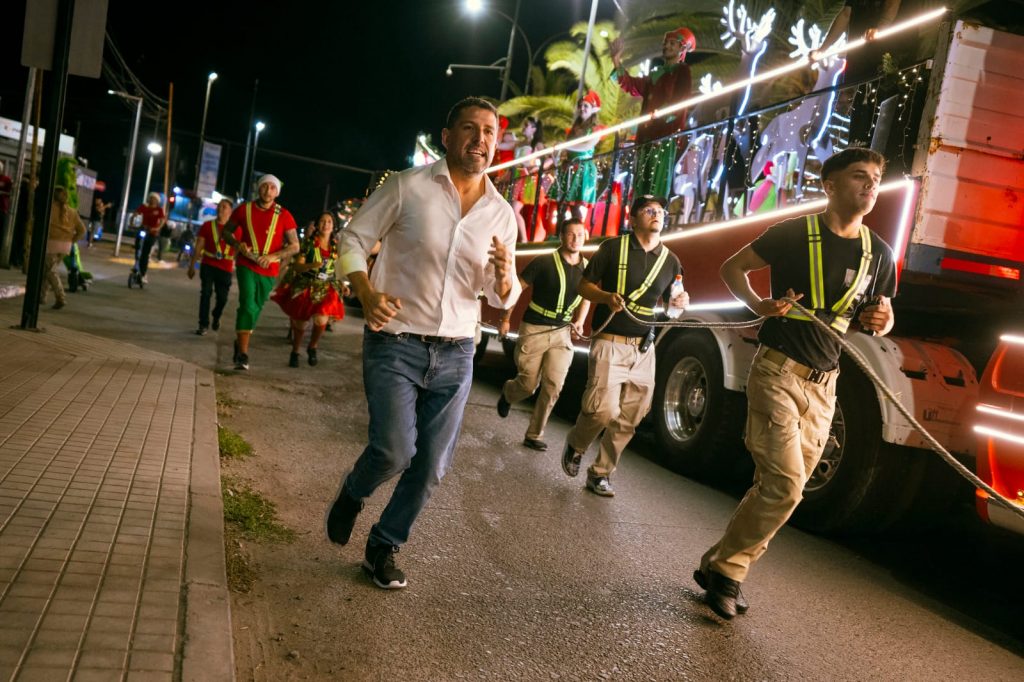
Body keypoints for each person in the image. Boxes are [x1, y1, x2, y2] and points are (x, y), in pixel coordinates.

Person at [326, 96, 520, 589]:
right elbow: (352, 240)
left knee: (432, 463)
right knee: (394, 450)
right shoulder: (406, 186)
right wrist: (365, 291)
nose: (480, 139)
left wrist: (505, 279)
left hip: (457, 351)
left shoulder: (501, 214)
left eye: (490, 132)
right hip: (395, 341)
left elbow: (500, 291)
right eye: (470, 128)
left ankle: (384, 545)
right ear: (448, 136)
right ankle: (353, 491)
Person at [695, 148, 896, 620]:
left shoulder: (879, 254)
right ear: (830, 185)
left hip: (825, 389)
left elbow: (883, 316)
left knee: (782, 488)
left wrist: (883, 320)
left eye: (875, 179)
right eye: (859, 176)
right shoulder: (793, 233)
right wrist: (758, 304)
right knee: (784, 487)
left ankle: (718, 563)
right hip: (777, 373)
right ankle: (728, 575)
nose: (870, 186)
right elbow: (732, 269)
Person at [561, 195, 686, 497]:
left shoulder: (671, 261)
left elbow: (673, 306)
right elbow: (583, 285)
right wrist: (605, 297)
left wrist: (679, 303)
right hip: (610, 342)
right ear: (633, 218)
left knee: (631, 416)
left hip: (644, 349)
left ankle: (600, 473)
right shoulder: (613, 248)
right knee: (601, 411)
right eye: (649, 210)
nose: (657, 214)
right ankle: (577, 444)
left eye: (660, 211)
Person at [497, 218, 590, 451]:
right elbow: (516, 289)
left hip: (562, 333)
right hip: (534, 329)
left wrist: (580, 321)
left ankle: (534, 434)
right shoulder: (543, 262)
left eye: (580, 235)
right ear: (562, 236)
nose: (575, 239)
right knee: (528, 384)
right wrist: (505, 319)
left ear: (585, 237)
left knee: (553, 385)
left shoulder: (588, 269)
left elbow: (587, 296)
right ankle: (509, 393)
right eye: (571, 234)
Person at [219, 174, 300, 371]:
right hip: (246, 264)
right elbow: (226, 232)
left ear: (277, 192)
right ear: (258, 188)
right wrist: (237, 244)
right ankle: (243, 354)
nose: (268, 191)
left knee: (256, 307)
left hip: (269, 270)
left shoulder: (284, 215)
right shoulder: (244, 209)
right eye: (265, 186)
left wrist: (273, 257)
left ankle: (241, 340)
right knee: (247, 304)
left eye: (272, 188)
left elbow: (295, 246)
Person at [611, 28, 695, 197]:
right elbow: (631, 84)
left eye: (672, 43)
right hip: (645, 137)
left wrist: (662, 115)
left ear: (682, 48)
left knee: (656, 186)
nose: (666, 46)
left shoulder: (682, 71)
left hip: (664, 136)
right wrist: (616, 60)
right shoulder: (656, 74)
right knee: (641, 186)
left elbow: (680, 102)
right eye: (665, 43)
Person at [811, 1, 903, 147]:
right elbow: (845, 14)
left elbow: (892, 4)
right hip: (859, 54)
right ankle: (856, 143)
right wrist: (822, 49)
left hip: (882, 52)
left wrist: (880, 28)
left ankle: (871, 146)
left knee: (878, 99)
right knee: (859, 100)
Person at [270, 210, 346, 367]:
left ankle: (313, 346)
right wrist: (311, 265)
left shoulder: (336, 247)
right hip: (306, 286)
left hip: (326, 287)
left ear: (334, 226)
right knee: (300, 324)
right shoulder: (308, 244)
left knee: (321, 319)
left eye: (329, 222)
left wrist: (343, 284)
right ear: (317, 225)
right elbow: (297, 266)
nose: (326, 224)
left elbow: (338, 267)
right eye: (322, 221)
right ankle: (295, 351)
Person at [187, 198, 238, 335]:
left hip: (225, 268)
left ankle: (216, 315)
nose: (220, 209)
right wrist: (192, 266)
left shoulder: (236, 229)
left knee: (222, 298)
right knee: (205, 293)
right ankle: (203, 324)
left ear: (230, 211)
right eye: (219, 206)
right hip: (208, 264)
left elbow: (239, 249)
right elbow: (199, 246)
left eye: (224, 207)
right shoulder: (207, 226)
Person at [551, 91, 603, 222]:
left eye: (586, 106)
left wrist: (564, 145)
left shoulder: (596, 129)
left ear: (593, 110)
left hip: (582, 168)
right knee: (561, 205)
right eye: (580, 105)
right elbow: (567, 149)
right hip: (568, 165)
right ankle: (561, 231)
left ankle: (577, 230)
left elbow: (586, 147)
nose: (582, 108)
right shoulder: (574, 128)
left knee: (575, 206)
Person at [42, 186, 86, 310]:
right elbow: (82, 230)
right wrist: (72, 241)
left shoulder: (49, 209)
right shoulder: (73, 212)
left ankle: (60, 297)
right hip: (65, 246)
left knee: (51, 271)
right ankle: (42, 296)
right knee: (47, 270)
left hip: (51, 243)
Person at [510, 117, 544, 242]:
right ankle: (515, 238)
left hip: (526, 179)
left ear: (534, 129)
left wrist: (534, 168)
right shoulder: (519, 143)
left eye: (527, 125)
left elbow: (548, 160)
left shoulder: (537, 144)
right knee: (511, 210)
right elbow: (501, 145)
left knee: (514, 210)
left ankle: (524, 240)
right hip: (515, 177)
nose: (523, 127)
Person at [132, 192, 166, 283]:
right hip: (143, 229)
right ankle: (136, 265)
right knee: (138, 247)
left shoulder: (159, 210)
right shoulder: (144, 207)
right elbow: (136, 213)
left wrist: (157, 228)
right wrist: (132, 220)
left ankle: (143, 273)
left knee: (145, 253)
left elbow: (162, 221)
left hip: (152, 232)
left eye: (154, 199)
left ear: (157, 201)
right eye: (151, 198)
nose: (152, 200)